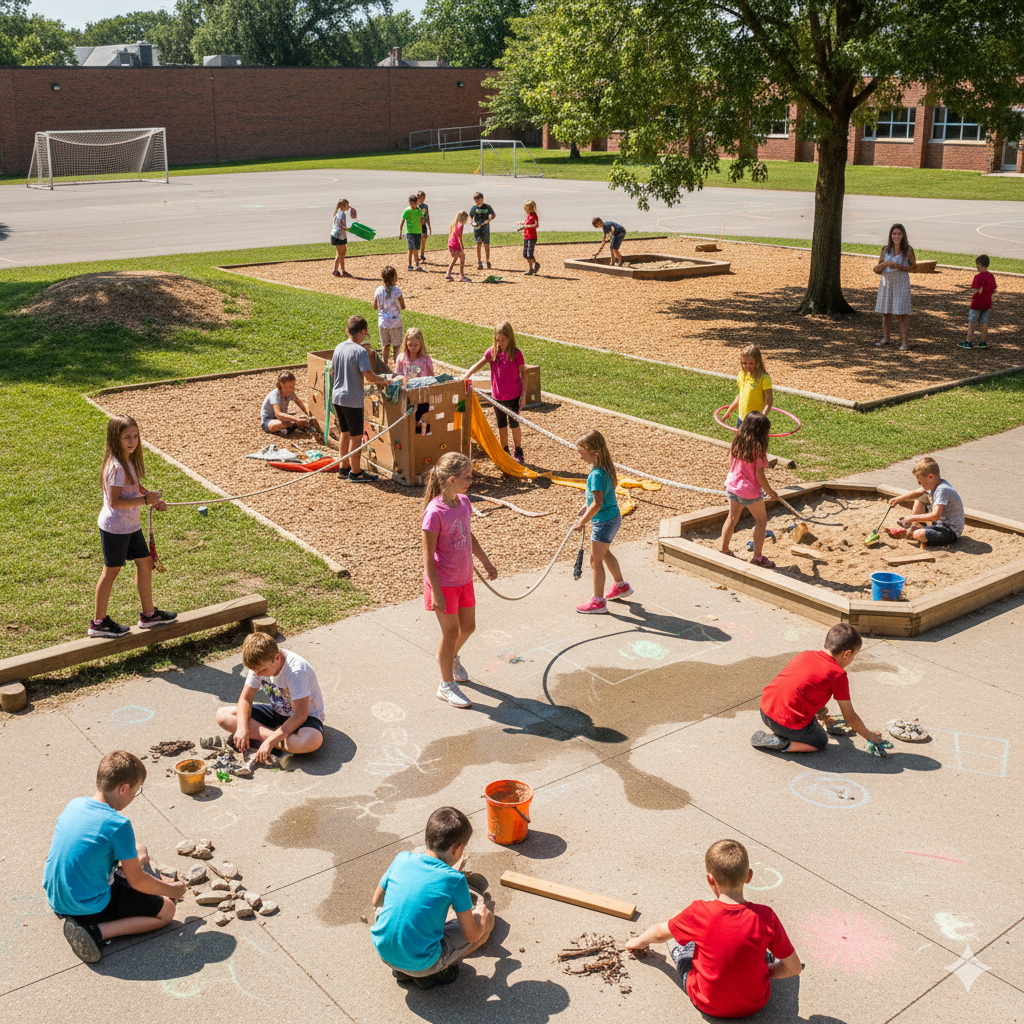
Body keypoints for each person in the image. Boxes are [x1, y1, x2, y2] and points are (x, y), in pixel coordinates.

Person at [625, 839, 800, 1018]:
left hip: (708, 1002)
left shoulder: (699, 912)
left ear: (710, 879)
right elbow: (794, 968)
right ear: (749, 876)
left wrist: (638, 941)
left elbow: (660, 933)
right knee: (761, 949)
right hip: (756, 1003)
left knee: (681, 943)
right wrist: (761, 973)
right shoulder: (766, 916)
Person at [43, 751, 187, 963]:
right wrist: (172, 890)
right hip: (89, 905)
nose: (134, 797)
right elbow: (138, 882)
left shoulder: (76, 804)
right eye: (136, 791)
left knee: (141, 850)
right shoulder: (118, 825)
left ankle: (112, 886)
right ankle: (96, 932)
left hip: (57, 895)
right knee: (167, 910)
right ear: (123, 788)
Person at [371, 806, 494, 989]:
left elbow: (376, 902)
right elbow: (471, 935)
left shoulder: (402, 858)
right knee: (488, 920)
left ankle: (402, 968)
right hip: (423, 964)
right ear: (457, 849)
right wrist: (481, 919)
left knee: (389, 911)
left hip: (384, 951)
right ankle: (436, 971)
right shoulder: (455, 880)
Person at [89, 414, 177, 638]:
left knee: (145, 563)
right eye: (127, 437)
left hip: (130, 525)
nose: (132, 441)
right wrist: (144, 501)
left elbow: (136, 487)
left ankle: (149, 615)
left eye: (135, 436)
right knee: (111, 571)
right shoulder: (116, 467)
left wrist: (150, 497)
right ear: (115, 439)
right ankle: (98, 623)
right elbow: (115, 501)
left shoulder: (128, 461)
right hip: (115, 528)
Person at [422, 452, 497, 708]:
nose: (471, 481)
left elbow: (469, 535)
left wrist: (485, 561)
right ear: (451, 480)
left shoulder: (464, 502)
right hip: (443, 583)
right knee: (451, 632)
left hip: (464, 579)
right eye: (467, 477)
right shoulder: (434, 512)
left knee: (468, 627)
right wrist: (436, 592)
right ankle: (446, 685)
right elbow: (429, 558)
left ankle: (450, 657)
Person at [751, 623, 883, 753]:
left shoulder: (806, 654)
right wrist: (871, 736)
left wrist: (821, 715)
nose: (851, 660)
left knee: (807, 695)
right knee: (819, 741)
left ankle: (786, 732)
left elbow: (801, 687)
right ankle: (783, 743)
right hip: (785, 723)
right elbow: (850, 717)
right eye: (853, 656)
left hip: (765, 709)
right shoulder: (838, 674)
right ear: (847, 654)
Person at [203, 632, 325, 763]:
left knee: (311, 741)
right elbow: (245, 699)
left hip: (304, 718)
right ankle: (279, 741)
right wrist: (242, 728)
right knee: (223, 715)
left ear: (277, 657)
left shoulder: (297, 671)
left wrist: (270, 741)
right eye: (255, 671)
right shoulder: (259, 665)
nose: (258, 674)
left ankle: (265, 741)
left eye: (262, 671)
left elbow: (300, 716)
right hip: (277, 712)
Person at [573, 429, 632, 614]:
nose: (581, 456)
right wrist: (586, 506)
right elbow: (599, 498)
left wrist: (582, 520)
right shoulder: (605, 468)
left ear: (594, 452)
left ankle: (598, 602)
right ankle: (620, 586)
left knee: (594, 560)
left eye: (583, 452)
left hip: (603, 522)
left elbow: (598, 503)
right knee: (604, 553)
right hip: (612, 517)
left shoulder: (596, 474)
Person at [331, 314, 391, 482]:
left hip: (337, 397)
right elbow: (369, 376)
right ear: (363, 332)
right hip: (352, 399)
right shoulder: (360, 351)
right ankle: (355, 471)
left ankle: (344, 467)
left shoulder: (338, 348)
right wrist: (384, 381)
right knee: (356, 437)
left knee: (345, 433)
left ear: (347, 331)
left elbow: (332, 371)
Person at [718, 411, 779, 568]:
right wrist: (771, 492)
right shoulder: (758, 450)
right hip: (749, 491)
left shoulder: (737, 441)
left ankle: (724, 549)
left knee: (732, 518)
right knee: (761, 521)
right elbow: (760, 476)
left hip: (732, 486)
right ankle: (757, 557)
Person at [463, 321, 528, 464]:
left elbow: (524, 374)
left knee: (514, 424)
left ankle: (518, 449)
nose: (500, 343)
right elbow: (479, 363)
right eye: (497, 340)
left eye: (503, 340)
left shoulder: (516, 354)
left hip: (514, 396)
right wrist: (467, 375)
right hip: (498, 398)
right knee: (501, 425)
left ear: (510, 338)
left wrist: (523, 396)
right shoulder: (492, 352)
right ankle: (504, 450)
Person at [885, 456, 964, 548]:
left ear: (930, 477)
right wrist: (898, 499)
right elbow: (916, 493)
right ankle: (914, 527)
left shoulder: (942, 490)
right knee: (922, 496)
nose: (919, 484)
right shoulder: (933, 485)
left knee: (918, 534)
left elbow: (936, 516)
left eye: (920, 482)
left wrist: (911, 518)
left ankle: (914, 532)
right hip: (938, 524)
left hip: (950, 531)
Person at [874, 222, 916, 351]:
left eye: (899, 233)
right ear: (891, 235)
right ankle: (886, 338)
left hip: (901, 284)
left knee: (901, 313)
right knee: (886, 313)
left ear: (903, 235)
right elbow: (876, 269)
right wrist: (886, 263)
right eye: (894, 233)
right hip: (886, 284)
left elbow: (914, 268)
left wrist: (899, 267)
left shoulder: (907, 250)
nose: (896, 236)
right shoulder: (885, 249)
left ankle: (905, 342)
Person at [395, 327, 434, 434]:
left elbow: (432, 378)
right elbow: (397, 376)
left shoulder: (426, 360)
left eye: (415, 345)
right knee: (407, 424)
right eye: (410, 345)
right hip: (406, 397)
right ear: (406, 343)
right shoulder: (401, 358)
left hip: (421, 397)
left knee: (422, 423)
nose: (412, 347)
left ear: (421, 343)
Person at [722, 345, 773, 426]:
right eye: (744, 363)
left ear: (757, 363)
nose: (747, 366)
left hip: (755, 420)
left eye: (751, 363)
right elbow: (741, 395)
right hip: (741, 418)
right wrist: (730, 410)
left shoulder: (764, 378)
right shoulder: (741, 375)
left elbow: (769, 401)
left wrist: (762, 417)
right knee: (739, 439)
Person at [960, 253, 997, 350]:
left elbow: (975, 290)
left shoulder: (978, 277)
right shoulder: (991, 276)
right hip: (987, 302)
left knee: (972, 322)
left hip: (977, 303)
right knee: (984, 322)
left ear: (980, 265)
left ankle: (968, 341)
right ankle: (983, 341)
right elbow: (993, 289)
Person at [373, 265, 406, 366]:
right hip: (395, 322)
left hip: (383, 322)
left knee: (385, 345)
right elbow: (403, 306)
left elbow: (375, 306)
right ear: (395, 277)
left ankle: (385, 364)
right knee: (396, 346)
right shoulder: (397, 291)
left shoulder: (378, 290)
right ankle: (397, 365)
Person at [260, 370, 310, 434]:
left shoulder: (291, 393)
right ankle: (290, 426)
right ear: (282, 385)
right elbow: (278, 414)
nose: (292, 389)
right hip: (269, 420)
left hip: (283, 418)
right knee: (275, 425)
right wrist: (295, 419)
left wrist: (307, 415)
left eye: (293, 386)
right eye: (290, 386)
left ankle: (291, 426)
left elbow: (299, 403)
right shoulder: (275, 395)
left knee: (297, 419)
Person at [331, 199, 357, 278]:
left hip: (338, 235)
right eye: (347, 206)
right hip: (339, 236)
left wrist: (351, 208)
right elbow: (341, 226)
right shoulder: (341, 214)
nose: (348, 207)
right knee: (341, 253)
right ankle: (342, 271)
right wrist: (349, 229)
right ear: (343, 206)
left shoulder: (338, 212)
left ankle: (336, 270)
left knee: (342, 252)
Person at [470, 191, 496, 269]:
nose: (477, 203)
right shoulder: (474, 208)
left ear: (482, 199)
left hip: (485, 229)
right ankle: (479, 261)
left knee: (486, 245)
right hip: (477, 229)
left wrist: (489, 218)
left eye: (478, 201)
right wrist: (473, 223)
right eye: (476, 201)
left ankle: (487, 261)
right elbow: (471, 217)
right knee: (479, 243)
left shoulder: (487, 207)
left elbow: (493, 214)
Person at [399, 195, 425, 272]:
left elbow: (421, 220)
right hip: (410, 232)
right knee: (411, 249)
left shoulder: (419, 211)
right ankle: (410, 265)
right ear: (410, 203)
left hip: (417, 232)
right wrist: (401, 233)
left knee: (416, 249)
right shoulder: (407, 211)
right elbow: (402, 222)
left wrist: (422, 230)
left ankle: (417, 265)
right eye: (412, 204)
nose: (413, 205)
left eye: (415, 204)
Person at [446, 211, 471, 282]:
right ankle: (462, 276)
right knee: (462, 257)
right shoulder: (461, 225)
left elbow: (451, 235)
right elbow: (460, 237)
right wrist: (461, 245)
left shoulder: (453, 223)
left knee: (455, 258)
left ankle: (448, 273)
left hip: (451, 244)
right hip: (455, 244)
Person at [517, 199, 540, 275]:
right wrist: (521, 224)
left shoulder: (534, 216)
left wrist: (526, 226)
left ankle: (532, 268)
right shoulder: (528, 215)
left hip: (532, 237)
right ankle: (534, 264)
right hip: (526, 236)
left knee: (529, 254)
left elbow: (535, 225)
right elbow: (526, 223)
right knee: (525, 254)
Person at [416, 191, 431, 264]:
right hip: (417, 225)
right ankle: (417, 255)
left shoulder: (425, 206)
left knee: (424, 240)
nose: (422, 200)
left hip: (424, 225)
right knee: (418, 241)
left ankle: (422, 254)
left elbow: (427, 216)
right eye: (420, 198)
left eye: (423, 198)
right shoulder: (415, 206)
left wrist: (429, 225)